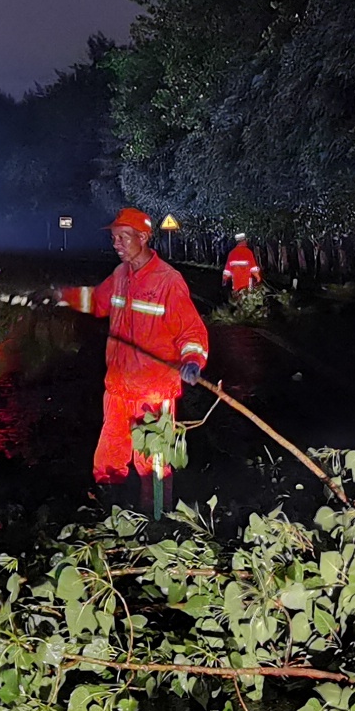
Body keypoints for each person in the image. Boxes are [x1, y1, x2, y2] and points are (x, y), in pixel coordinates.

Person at [59, 208, 210, 497]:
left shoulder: (168, 280)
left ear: (142, 237)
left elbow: (190, 330)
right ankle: (109, 514)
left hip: (153, 390)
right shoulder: (120, 275)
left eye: (122, 238)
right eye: (114, 238)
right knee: (109, 457)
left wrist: (192, 360)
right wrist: (60, 296)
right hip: (117, 387)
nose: (116, 244)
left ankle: (156, 521)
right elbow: (96, 301)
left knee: (153, 459)